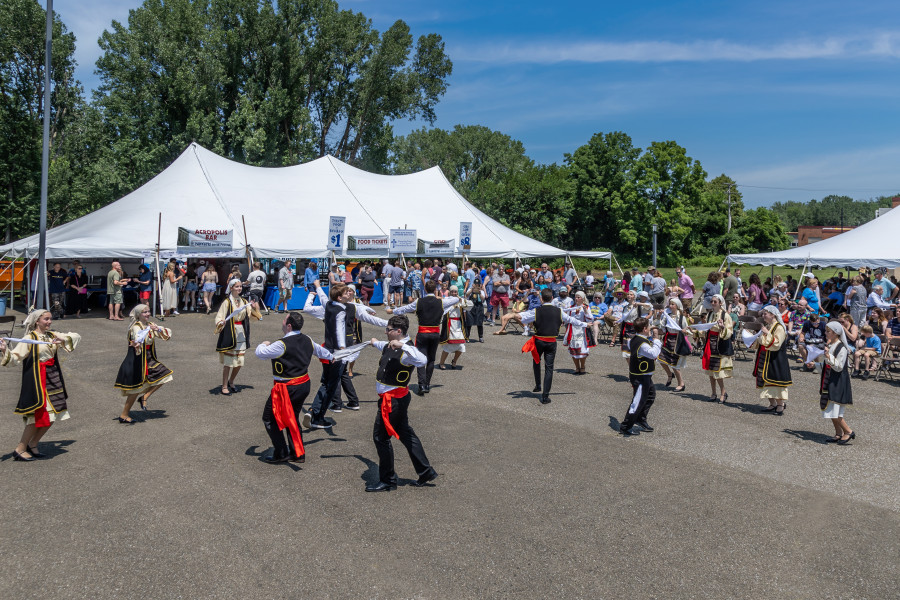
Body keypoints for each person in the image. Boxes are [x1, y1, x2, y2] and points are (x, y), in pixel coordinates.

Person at [365, 315, 438, 492]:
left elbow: (423, 360)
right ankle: (425, 470)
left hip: (393, 401)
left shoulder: (407, 350)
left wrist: (403, 345)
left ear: (398, 331)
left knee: (381, 437)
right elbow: (384, 346)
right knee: (405, 434)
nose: (385, 332)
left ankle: (388, 480)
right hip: (394, 400)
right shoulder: (391, 344)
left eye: (388, 329)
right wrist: (374, 342)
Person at [1, 310, 81, 461]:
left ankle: (34, 443)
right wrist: (5, 350)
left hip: (53, 377)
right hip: (37, 380)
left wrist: (62, 340)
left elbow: (76, 336)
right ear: (37, 321)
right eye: (46, 319)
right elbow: (15, 357)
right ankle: (20, 448)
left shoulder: (52, 335)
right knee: (36, 416)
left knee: (53, 414)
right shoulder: (29, 338)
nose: (49, 322)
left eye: (50, 319)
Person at [255, 311, 333, 464]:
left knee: (270, 419)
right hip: (303, 385)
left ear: (289, 326)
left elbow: (260, 353)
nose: (282, 322)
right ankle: (297, 453)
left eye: (284, 320)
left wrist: (263, 344)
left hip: (286, 389)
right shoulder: (307, 339)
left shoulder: (281, 344)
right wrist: (332, 356)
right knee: (292, 418)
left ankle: (281, 452)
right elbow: (322, 352)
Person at [303, 280, 385, 416]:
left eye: (350, 290)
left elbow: (370, 318)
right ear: (339, 297)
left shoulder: (351, 306)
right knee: (336, 377)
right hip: (337, 349)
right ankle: (336, 405)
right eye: (347, 291)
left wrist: (388, 322)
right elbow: (322, 303)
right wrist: (316, 289)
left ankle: (329, 407)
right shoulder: (331, 306)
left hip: (341, 349)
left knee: (334, 378)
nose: (350, 291)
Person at [388, 280, 460, 395]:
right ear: (435, 290)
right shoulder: (441, 302)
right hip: (435, 333)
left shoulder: (419, 301)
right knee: (431, 359)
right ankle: (427, 384)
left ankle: (421, 384)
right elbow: (456, 299)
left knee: (420, 358)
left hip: (422, 333)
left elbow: (406, 308)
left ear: (425, 289)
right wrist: (440, 298)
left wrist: (393, 310)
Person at [517, 288, 589, 404]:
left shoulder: (536, 311)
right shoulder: (559, 311)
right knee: (549, 368)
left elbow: (522, 316)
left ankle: (538, 384)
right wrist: (585, 324)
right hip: (551, 342)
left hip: (538, 341)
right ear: (552, 298)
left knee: (536, 361)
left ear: (541, 299)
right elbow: (571, 320)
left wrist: (513, 315)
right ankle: (545, 396)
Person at [114, 304, 173, 424]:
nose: (147, 314)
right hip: (137, 362)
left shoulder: (150, 325)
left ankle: (144, 397)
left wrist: (159, 329)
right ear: (138, 315)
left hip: (149, 360)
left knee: (165, 376)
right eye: (144, 312)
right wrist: (136, 343)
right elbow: (137, 337)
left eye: (148, 311)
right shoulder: (136, 327)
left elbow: (165, 334)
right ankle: (124, 415)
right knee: (135, 390)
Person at [215, 279, 262, 395]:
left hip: (241, 332)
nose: (239, 288)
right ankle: (224, 385)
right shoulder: (227, 302)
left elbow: (251, 316)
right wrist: (221, 322)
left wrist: (255, 308)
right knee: (228, 362)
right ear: (231, 288)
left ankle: (231, 381)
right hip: (230, 332)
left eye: (240, 286)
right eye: (237, 287)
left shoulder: (244, 301)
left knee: (240, 361)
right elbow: (219, 316)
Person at [619, 316, 662, 436]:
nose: (650, 328)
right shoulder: (642, 344)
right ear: (644, 329)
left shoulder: (636, 338)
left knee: (650, 396)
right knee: (637, 401)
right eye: (648, 326)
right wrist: (657, 339)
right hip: (640, 377)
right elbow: (653, 353)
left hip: (645, 375)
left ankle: (640, 418)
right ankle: (626, 426)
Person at [820, 321, 855, 445]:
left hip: (838, 380)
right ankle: (838, 433)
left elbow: (839, 366)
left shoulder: (842, 348)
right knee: (830, 408)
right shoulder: (831, 345)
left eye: (828, 331)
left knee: (835, 409)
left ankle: (848, 431)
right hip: (830, 378)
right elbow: (826, 363)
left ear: (836, 333)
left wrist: (829, 357)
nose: (826, 333)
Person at [753, 305, 792, 415]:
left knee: (775, 381)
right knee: (764, 380)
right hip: (766, 356)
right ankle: (772, 404)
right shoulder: (769, 325)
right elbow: (762, 340)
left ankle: (780, 405)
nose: (763, 315)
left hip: (776, 358)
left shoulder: (779, 327)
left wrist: (766, 333)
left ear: (773, 315)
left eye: (765, 313)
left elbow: (776, 343)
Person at [701, 294, 734, 404]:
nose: (713, 303)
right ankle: (713, 393)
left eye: (715, 302)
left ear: (720, 303)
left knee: (718, 372)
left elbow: (729, 332)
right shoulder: (710, 314)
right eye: (712, 301)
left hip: (719, 343)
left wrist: (722, 327)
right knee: (711, 371)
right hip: (710, 342)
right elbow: (706, 327)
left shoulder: (725, 315)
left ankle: (723, 392)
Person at [658, 298, 691, 392]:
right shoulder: (667, 316)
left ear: (677, 305)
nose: (671, 306)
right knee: (660, 359)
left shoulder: (681, 317)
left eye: (673, 304)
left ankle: (681, 384)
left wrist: (685, 331)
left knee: (674, 364)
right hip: (668, 340)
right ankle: (669, 375)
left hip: (677, 341)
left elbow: (686, 330)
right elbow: (663, 329)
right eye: (670, 304)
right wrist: (660, 316)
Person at [438, 287, 470, 369]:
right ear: (450, 292)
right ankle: (441, 363)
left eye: (455, 291)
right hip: (450, 324)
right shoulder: (447, 300)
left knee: (461, 346)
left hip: (458, 325)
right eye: (452, 291)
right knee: (448, 345)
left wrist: (460, 300)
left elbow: (468, 306)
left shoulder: (460, 300)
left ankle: (454, 361)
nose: (454, 293)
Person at [563, 291, 594, 375]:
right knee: (573, 349)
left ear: (583, 298)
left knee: (582, 349)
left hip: (582, 330)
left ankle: (583, 366)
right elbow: (566, 319)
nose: (576, 298)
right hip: (572, 330)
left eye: (578, 297)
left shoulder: (586, 307)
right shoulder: (571, 307)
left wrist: (585, 311)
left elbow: (590, 320)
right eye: (576, 297)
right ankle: (577, 367)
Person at [464, 278, 486, 343]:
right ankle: (467, 337)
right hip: (471, 307)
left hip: (479, 307)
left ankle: (480, 337)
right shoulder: (470, 289)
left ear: (480, 285)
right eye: (475, 284)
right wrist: (471, 289)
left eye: (478, 285)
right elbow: (466, 295)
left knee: (479, 323)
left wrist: (479, 292)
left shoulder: (481, 291)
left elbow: (483, 298)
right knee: (469, 322)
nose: (477, 286)